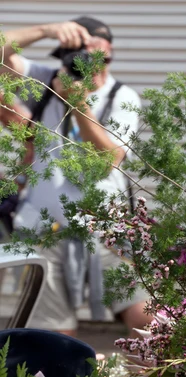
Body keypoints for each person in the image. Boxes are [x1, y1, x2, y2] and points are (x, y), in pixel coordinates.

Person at [0, 16, 153, 337]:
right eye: (74, 58)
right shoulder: (46, 82)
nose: (84, 67)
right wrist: (47, 30)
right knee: (54, 335)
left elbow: (108, 160)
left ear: (108, 53)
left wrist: (79, 102)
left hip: (107, 232)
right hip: (46, 232)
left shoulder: (122, 96)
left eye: (94, 57)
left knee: (147, 322)